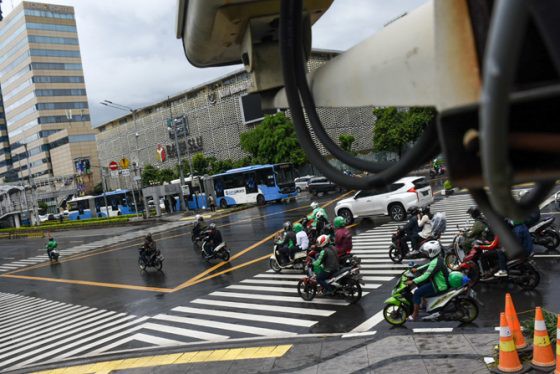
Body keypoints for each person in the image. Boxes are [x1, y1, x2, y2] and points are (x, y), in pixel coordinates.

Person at [406, 241, 449, 321]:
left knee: (417, 292)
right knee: (422, 285)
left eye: (426, 252)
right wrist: (417, 269)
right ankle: (424, 304)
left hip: (439, 285)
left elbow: (426, 276)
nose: (425, 254)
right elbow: (428, 265)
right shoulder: (437, 258)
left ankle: (415, 315)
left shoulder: (435, 262)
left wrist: (413, 281)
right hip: (439, 282)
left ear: (432, 252)